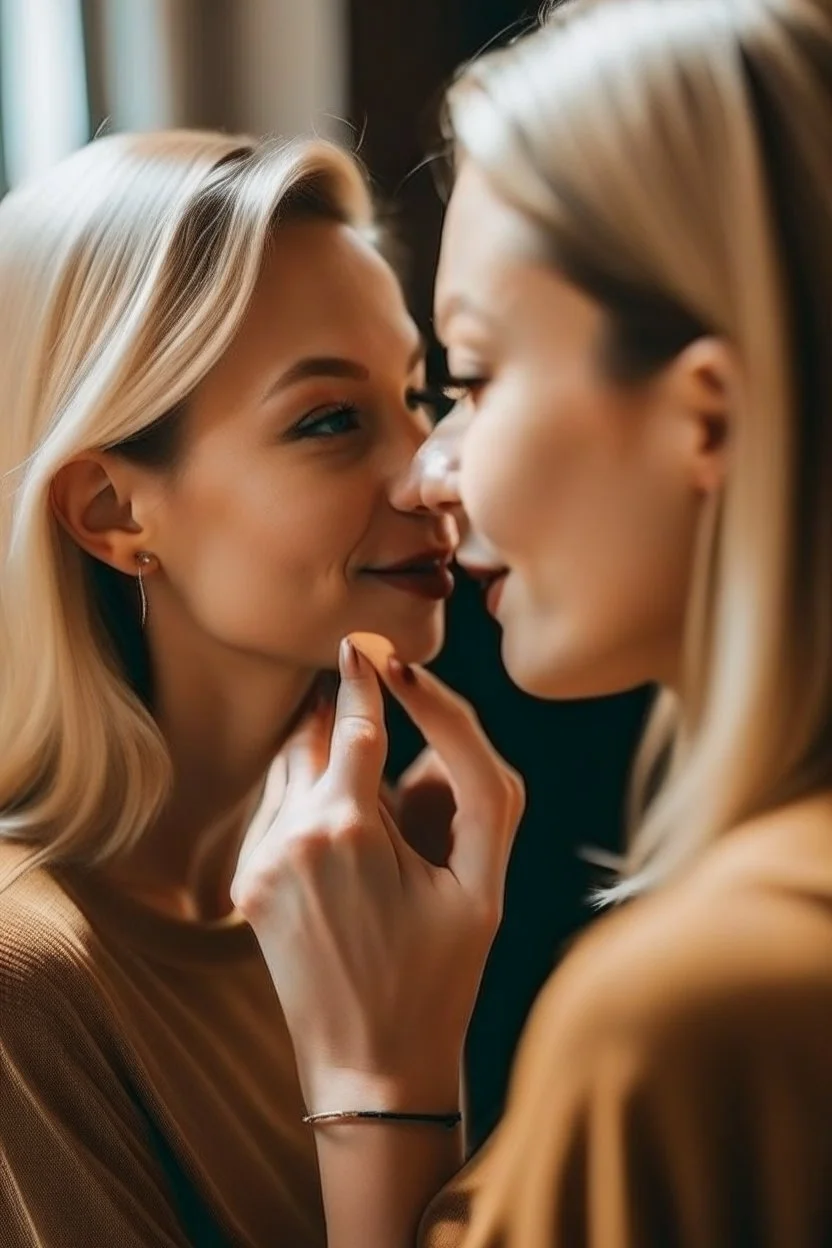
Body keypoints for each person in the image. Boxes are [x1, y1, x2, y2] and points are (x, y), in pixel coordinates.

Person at [231, 0, 832, 1243]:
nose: (427, 474)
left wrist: (376, 1086)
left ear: (704, 416)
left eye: (472, 377)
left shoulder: (694, 1013)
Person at [0, 128, 458, 1246]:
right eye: (329, 420)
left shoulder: (376, 885)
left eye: (417, 392)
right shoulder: (27, 984)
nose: (437, 466)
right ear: (113, 513)